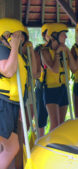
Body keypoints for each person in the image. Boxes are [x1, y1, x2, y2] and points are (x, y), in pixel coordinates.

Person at [0, 18, 27, 169]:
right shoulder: (2, 50)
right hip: (2, 102)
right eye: (17, 35)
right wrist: (15, 47)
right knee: (8, 145)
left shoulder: (13, 52)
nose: (20, 39)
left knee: (13, 147)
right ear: (6, 34)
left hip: (11, 104)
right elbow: (8, 71)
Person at [41, 23, 77, 131]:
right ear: (54, 36)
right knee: (55, 123)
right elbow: (55, 69)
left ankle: (60, 146)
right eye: (63, 35)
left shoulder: (65, 50)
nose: (66, 37)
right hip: (50, 89)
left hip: (63, 88)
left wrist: (67, 51)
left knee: (61, 124)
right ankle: (50, 146)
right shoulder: (45, 51)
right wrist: (57, 53)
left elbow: (74, 68)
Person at [34, 23, 51, 136]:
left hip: (56, 86)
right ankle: (40, 142)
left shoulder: (61, 50)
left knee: (57, 121)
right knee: (40, 120)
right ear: (44, 35)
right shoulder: (39, 49)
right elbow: (36, 71)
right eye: (49, 34)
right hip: (42, 86)